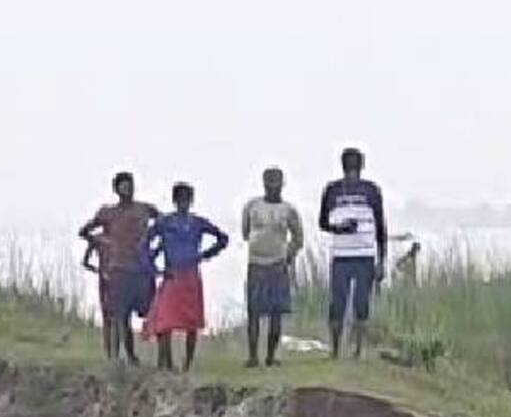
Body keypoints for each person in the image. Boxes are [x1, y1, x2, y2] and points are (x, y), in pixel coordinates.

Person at [144, 182, 229, 371]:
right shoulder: (165, 222)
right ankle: (166, 362)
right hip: (171, 274)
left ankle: (187, 365)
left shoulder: (197, 222)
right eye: (180, 200)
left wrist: (205, 255)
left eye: (187, 200)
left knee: (192, 322)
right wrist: (153, 267)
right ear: (175, 201)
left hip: (190, 275)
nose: (184, 203)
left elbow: (223, 238)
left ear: (191, 201)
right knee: (164, 321)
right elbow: (144, 245)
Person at [78, 172, 158, 364]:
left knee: (152, 310)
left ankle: (163, 357)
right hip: (119, 269)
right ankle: (127, 355)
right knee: (122, 315)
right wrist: (102, 243)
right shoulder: (108, 213)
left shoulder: (145, 209)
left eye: (130, 185)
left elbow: (165, 225)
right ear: (116, 190)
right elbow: (84, 231)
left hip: (142, 269)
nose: (128, 190)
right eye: (123, 186)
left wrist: (155, 247)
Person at [319, 147, 387, 358]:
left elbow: (380, 226)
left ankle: (356, 349)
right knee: (337, 303)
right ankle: (336, 349)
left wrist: (381, 259)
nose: (351, 170)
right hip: (342, 254)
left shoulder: (371, 190)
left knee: (361, 303)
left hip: (365, 253)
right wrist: (340, 228)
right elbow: (322, 222)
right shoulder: (332, 190)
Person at [240, 167, 306, 366]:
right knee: (254, 311)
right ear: (263, 183)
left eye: (276, 183)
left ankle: (271, 356)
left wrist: (289, 255)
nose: (272, 187)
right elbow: (245, 233)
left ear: (282, 184)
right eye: (269, 182)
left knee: (276, 312)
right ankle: (252, 356)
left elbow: (298, 238)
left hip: (278, 264)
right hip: (256, 263)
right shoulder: (252, 206)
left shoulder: (289, 210)